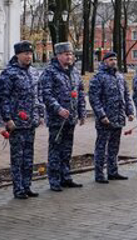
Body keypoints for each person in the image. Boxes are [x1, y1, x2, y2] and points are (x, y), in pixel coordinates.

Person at [0, 41, 44, 199]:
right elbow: (3, 98)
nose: (28, 56)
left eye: (30, 53)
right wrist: (7, 119)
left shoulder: (34, 72)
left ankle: (27, 185)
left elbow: (38, 96)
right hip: (16, 123)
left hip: (30, 122)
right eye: (25, 53)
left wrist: (40, 114)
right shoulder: (9, 73)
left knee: (29, 157)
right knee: (17, 157)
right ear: (17, 54)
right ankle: (18, 188)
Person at [41, 42, 86, 192]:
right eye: (66, 54)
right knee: (55, 149)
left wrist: (82, 112)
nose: (70, 57)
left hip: (70, 118)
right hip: (57, 119)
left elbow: (80, 93)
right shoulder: (50, 72)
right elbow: (46, 94)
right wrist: (58, 109)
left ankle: (66, 177)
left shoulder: (74, 72)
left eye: (71, 54)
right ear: (58, 55)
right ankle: (54, 180)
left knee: (67, 149)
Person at [89, 51, 134, 183]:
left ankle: (113, 172)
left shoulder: (120, 77)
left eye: (115, 59)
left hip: (118, 118)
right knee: (101, 147)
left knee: (114, 146)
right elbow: (94, 99)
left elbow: (126, 95)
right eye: (110, 60)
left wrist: (129, 111)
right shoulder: (98, 77)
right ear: (104, 62)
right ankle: (99, 174)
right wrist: (101, 115)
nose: (113, 62)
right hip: (105, 119)